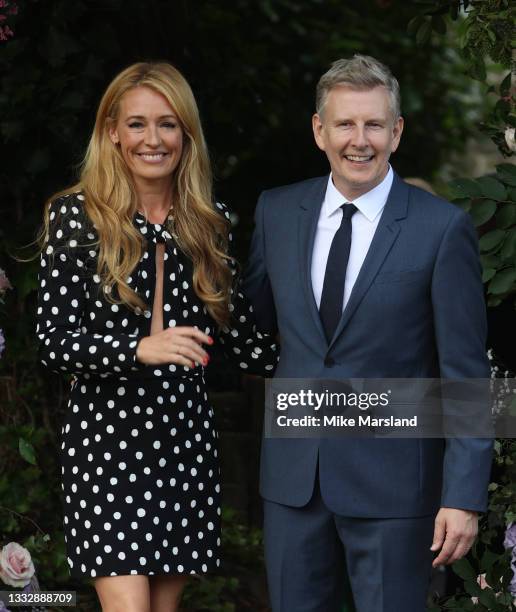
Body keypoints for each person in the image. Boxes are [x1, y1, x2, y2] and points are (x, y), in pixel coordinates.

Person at [243, 54, 492, 612]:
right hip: (293, 485)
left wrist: (463, 496)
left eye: (374, 124)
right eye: (345, 124)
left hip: (396, 491)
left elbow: (466, 373)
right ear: (319, 131)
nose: (360, 140)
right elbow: (253, 328)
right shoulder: (277, 213)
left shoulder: (441, 228)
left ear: (396, 132)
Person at [35, 62, 277, 612]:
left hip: (184, 440)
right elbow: (52, 341)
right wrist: (139, 349)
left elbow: (243, 340)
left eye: (167, 124)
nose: (153, 139)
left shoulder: (208, 222)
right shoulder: (77, 217)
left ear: (185, 135)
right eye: (138, 124)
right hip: (105, 446)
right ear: (112, 131)